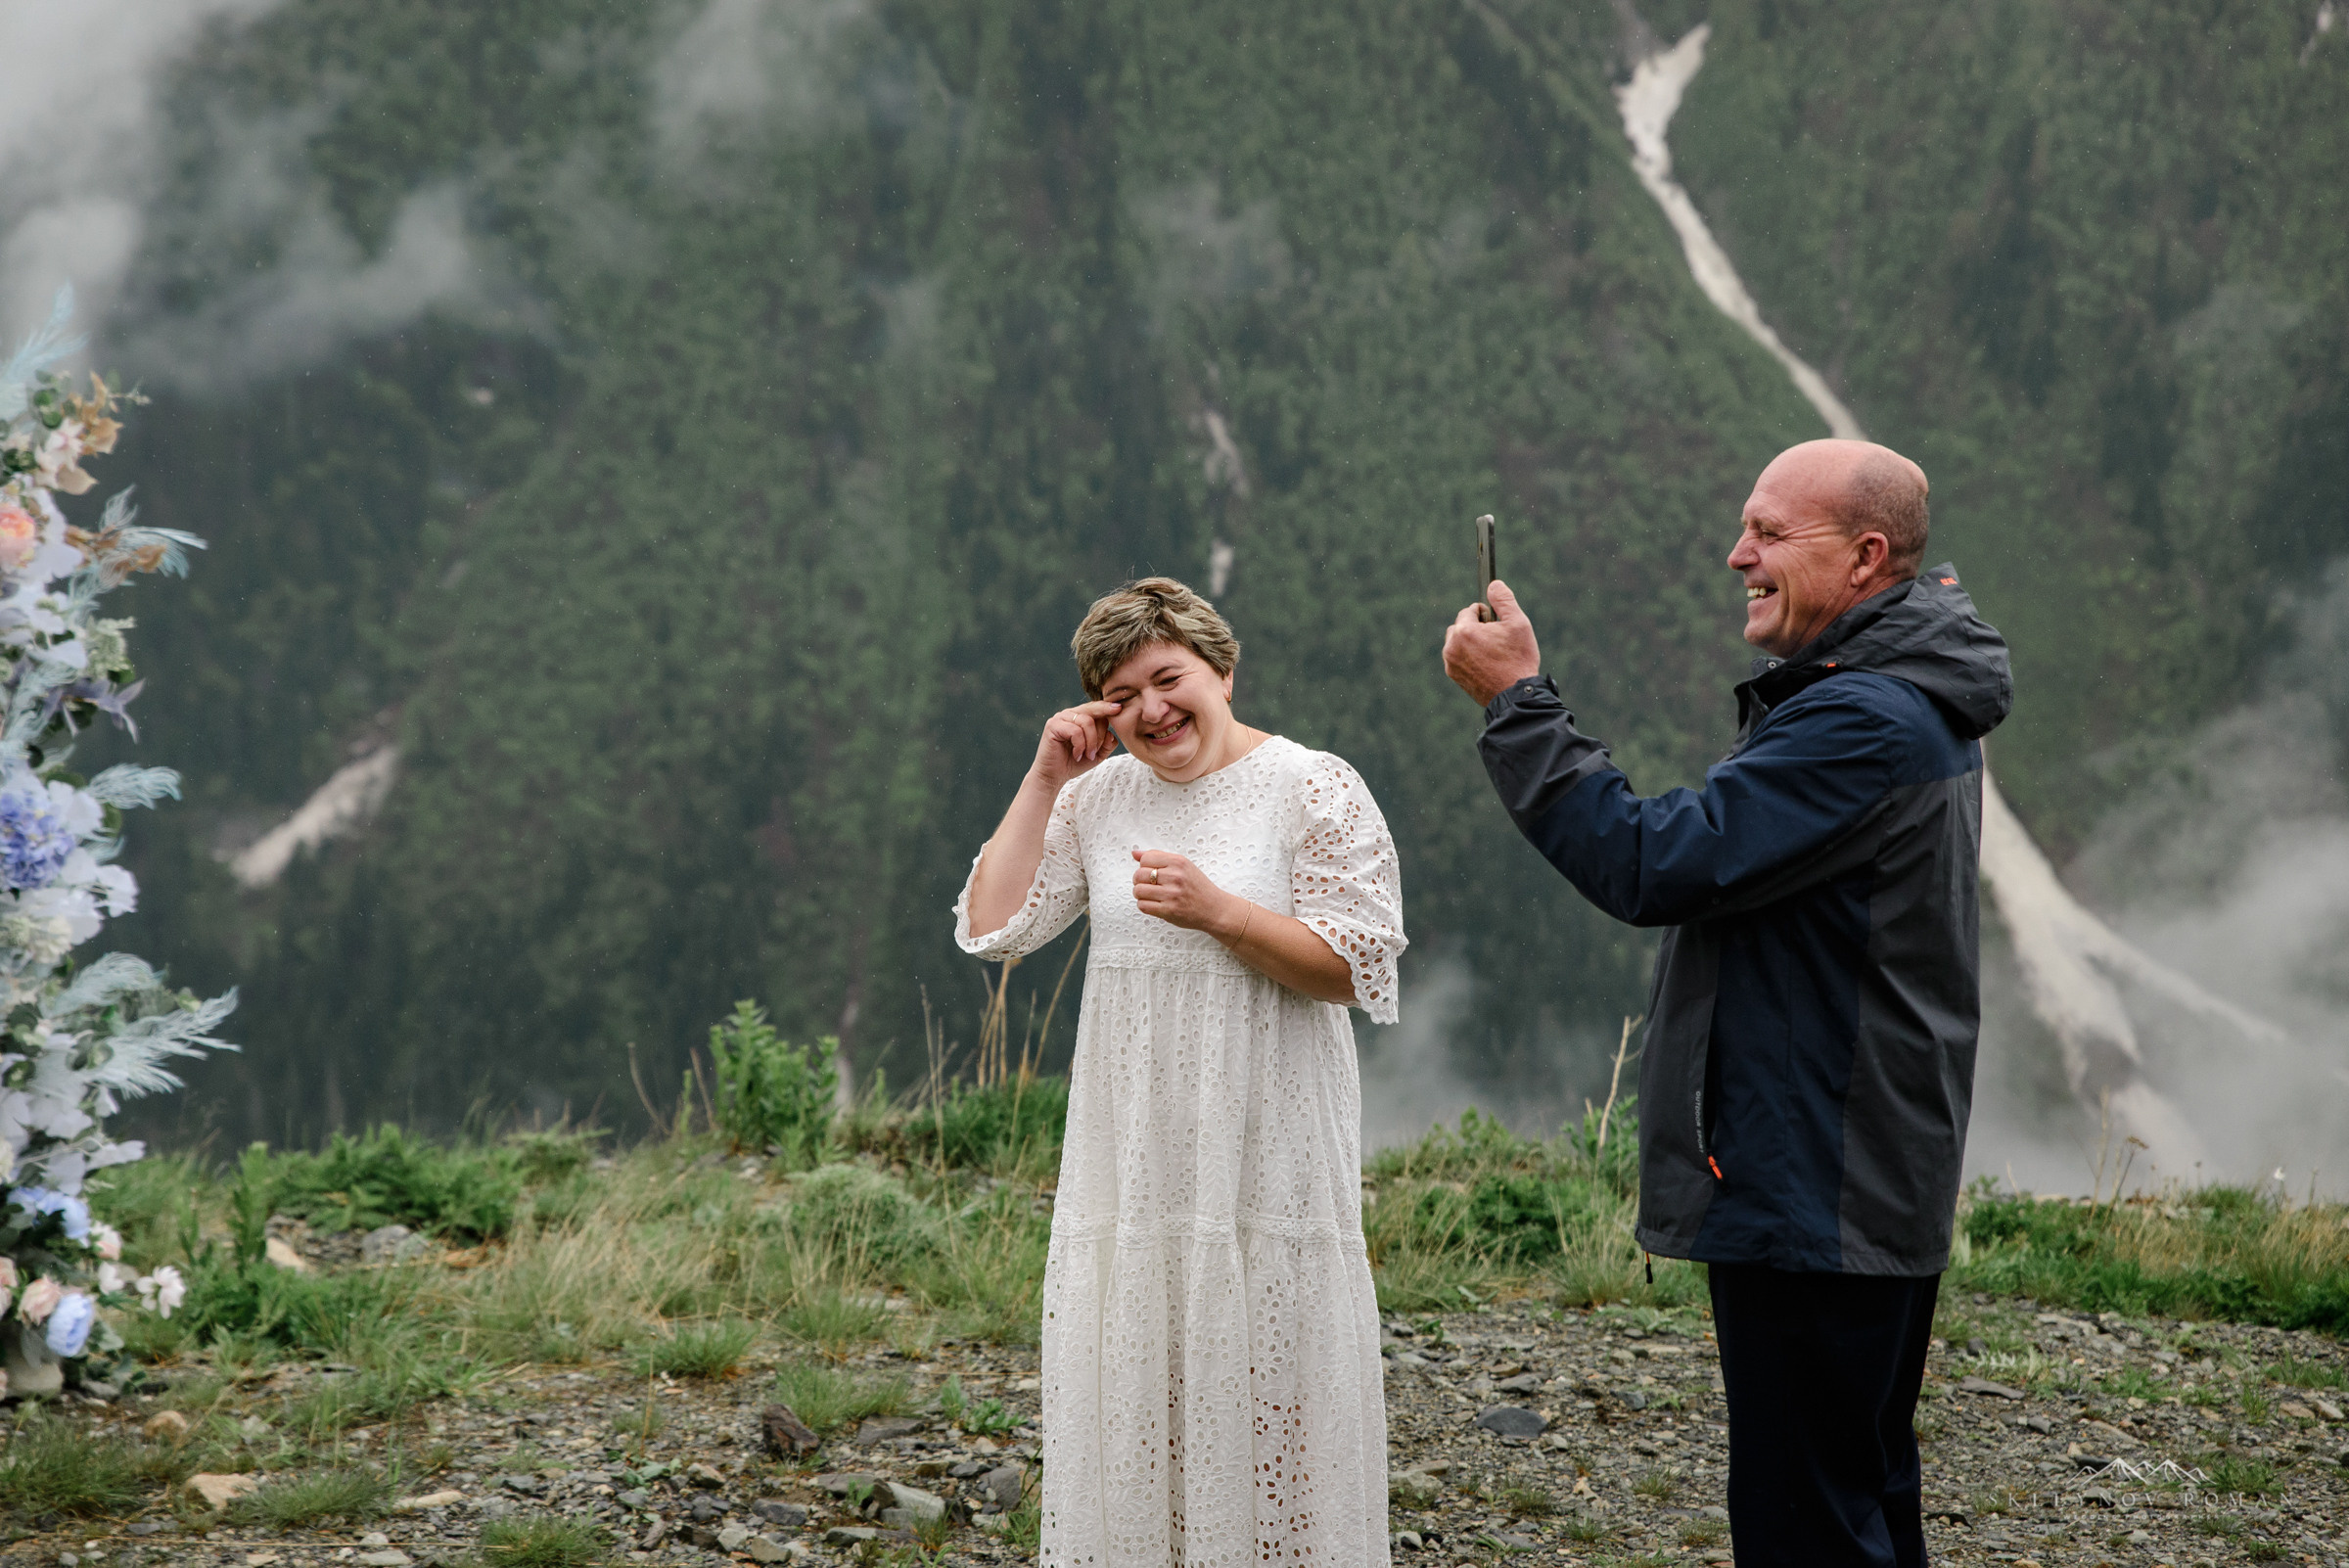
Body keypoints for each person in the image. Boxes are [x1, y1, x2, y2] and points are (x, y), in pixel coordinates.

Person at [1442, 439, 2011, 1568]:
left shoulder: (1865, 722)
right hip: (1858, 1166)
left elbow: (1654, 863)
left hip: (1817, 1177)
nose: (1735, 553)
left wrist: (1518, 704)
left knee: (1808, 1523)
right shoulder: (1900, 698)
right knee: (1858, 1496)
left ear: (1866, 557)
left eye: (1768, 532)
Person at [958, 576, 1405, 1566]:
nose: (1152, 710)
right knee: (1143, 1405)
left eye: (1169, 679)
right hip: (1138, 1172)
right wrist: (1043, 780)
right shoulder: (1098, 799)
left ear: (1223, 671)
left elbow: (1354, 966)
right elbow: (995, 928)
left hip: (1270, 1160)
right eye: (1122, 696)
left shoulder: (1312, 785)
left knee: (1278, 1407)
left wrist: (1223, 914)